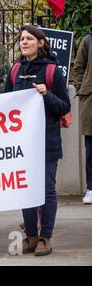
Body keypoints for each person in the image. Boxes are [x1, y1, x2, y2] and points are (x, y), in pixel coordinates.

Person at [4, 25, 70, 256]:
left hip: (47, 142)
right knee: (26, 190)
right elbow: (5, 105)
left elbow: (64, 106)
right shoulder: (15, 70)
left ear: (40, 43)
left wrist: (46, 94)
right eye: (21, 39)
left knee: (47, 191)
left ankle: (45, 238)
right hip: (22, 143)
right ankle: (31, 236)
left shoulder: (53, 71)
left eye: (29, 39)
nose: (24, 42)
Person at [72, 25, 92, 204]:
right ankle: (91, 188)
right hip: (91, 100)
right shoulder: (87, 40)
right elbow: (78, 68)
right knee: (91, 148)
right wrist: (80, 87)